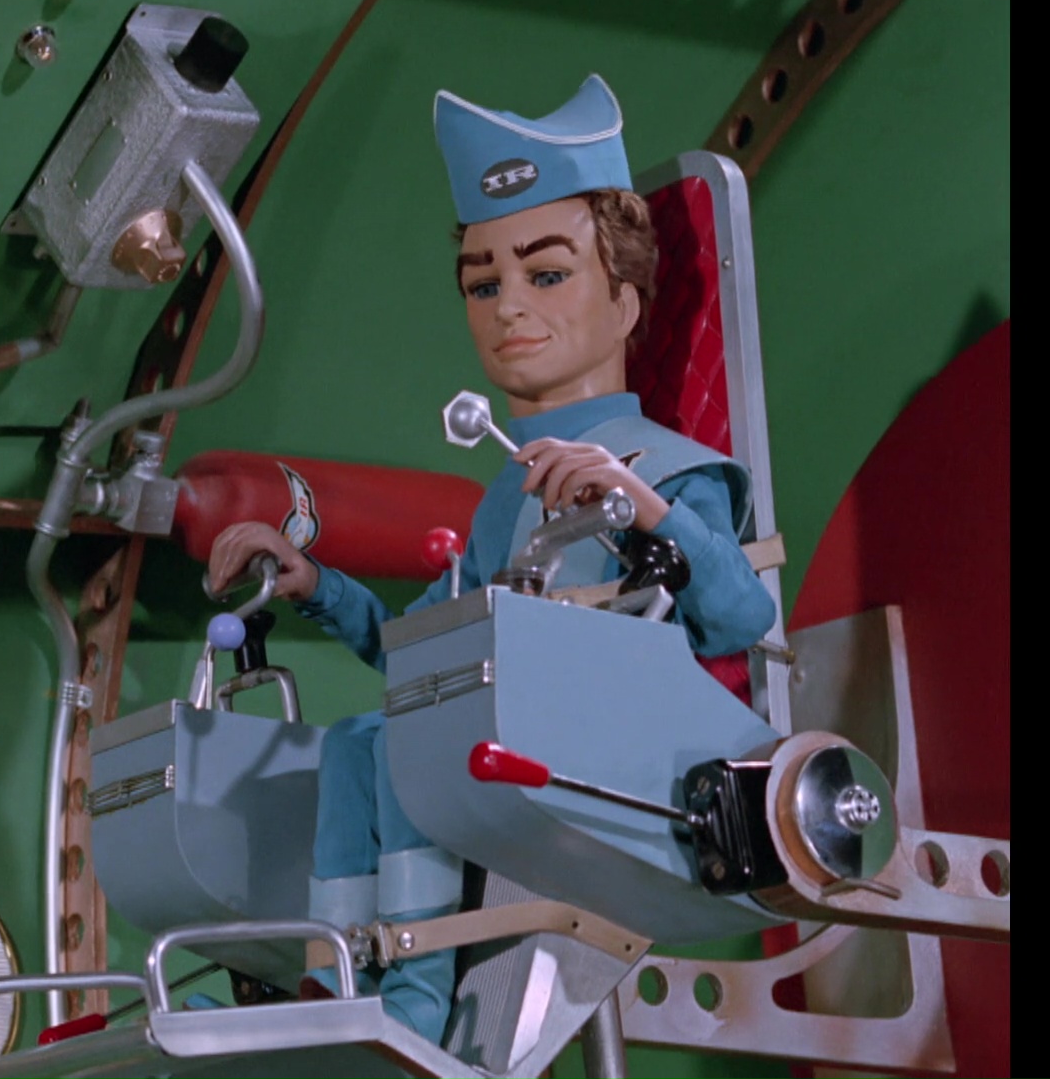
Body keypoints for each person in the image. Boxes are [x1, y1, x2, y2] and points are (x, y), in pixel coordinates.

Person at [206, 74, 777, 1045]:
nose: (510, 307)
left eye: (545, 275)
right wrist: (317, 585)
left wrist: (639, 504)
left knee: (410, 744)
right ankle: (336, 976)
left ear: (626, 304)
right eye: (484, 284)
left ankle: (413, 1001)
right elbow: (421, 655)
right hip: (517, 740)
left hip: (638, 760)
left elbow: (740, 619)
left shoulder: (672, 470)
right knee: (358, 741)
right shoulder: (508, 496)